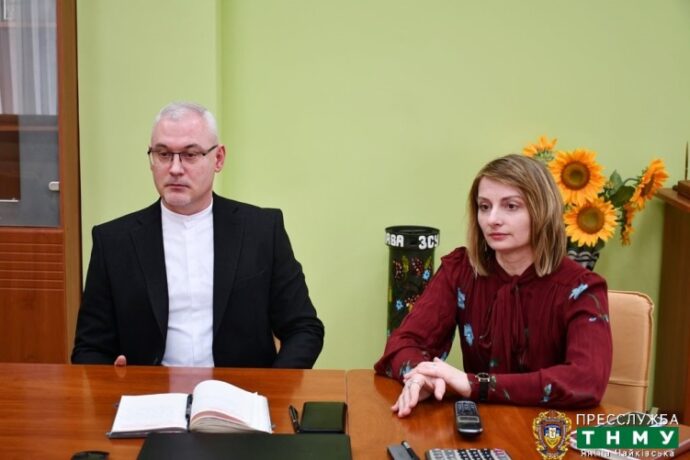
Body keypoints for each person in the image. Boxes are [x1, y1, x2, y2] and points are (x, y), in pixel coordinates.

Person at [72, 101, 324, 368]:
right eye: (163, 154)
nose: (175, 168)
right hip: (148, 390)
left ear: (218, 158)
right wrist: (111, 379)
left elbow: (304, 329)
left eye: (190, 155)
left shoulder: (261, 230)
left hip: (240, 390)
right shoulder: (114, 242)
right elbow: (89, 348)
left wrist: (271, 385)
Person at [374, 154, 612, 416]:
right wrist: (422, 376)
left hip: (551, 431)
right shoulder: (461, 270)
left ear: (542, 210)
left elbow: (587, 380)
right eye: (484, 206)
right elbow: (402, 343)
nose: (492, 219)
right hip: (480, 426)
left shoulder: (581, 288)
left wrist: (476, 385)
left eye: (511, 206)